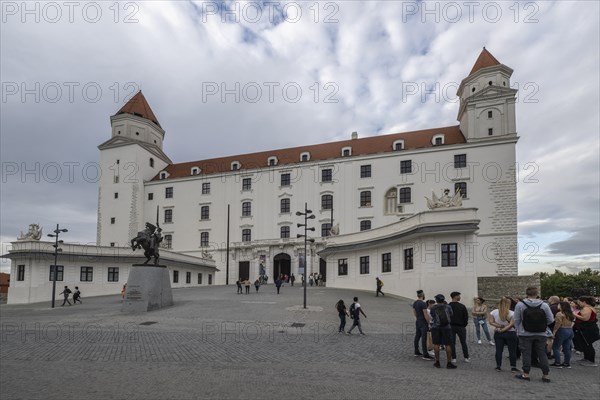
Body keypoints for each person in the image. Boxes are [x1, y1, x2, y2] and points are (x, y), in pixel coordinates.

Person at [513, 286, 554, 382]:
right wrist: (542, 325)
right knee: (542, 353)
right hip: (541, 333)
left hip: (525, 333)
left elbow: (516, 320)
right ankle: (546, 375)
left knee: (526, 354)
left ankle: (526, 374)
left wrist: (519, 330)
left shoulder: (520, 305)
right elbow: (551, 319)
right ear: (537, 294)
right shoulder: (544, 305)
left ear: (526, 294)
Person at [488, 297, 519, 372]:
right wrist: (503, 329)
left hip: (498, 333)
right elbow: (511, 325)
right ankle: (513, 367)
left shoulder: (494, 312)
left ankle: (498, 366)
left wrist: (499, 327)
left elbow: (491, 322)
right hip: (510, 333)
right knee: (512, 351)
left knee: (499, 350)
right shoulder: (512, 313)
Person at [430, 294, 456, 369]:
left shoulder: (433, 308)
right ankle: (449, 362)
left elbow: (432, 316)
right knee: (448, 344)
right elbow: (451, 314)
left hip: (436, 327)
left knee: (436, 344)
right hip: (446, 327)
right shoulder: (448, 307)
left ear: (436, 300)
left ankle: (437, 362)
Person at [573, 296, 599, 367]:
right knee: (585, 344)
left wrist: (574, 314)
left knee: (588, 344)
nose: (578, 303)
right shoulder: (589, 308)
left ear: (584, 302)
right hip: (587, 328)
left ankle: (591, 360)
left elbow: (585, 318)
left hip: (587, 329)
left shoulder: (587, 308)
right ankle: (586, 358)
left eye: (579, 302)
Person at [551, 301, 575, 368]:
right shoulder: (570, 314)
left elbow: (558, 324)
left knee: (556, 347)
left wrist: (554, 332)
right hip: (570, 330)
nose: (557, 306)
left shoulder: (559, 314)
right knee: (567, 348)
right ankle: (566, 363)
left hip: (562, 330)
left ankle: (557, 362)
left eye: (559, 305)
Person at [449, 291, 469, 363]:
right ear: (455, 296)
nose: (460, 297)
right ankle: (466, 357)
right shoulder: (462, 306)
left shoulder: (448, 306)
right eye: (459, 296)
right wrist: (464, 325)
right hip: (460, 326)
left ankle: (453, 357)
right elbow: (466, 317)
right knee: (463, 342)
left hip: (451, 326)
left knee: (452, 342)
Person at [413, 290, 433, 360]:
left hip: (418, 321)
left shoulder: (415, 302)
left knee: (417, 336)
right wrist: (428, 323)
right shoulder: (423, 303)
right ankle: (425, 354)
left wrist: (417, 319)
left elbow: (414, 312)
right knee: (424, 338)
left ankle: (416, 351)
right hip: (423, 322)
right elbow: (425, 314)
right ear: (423, 295)